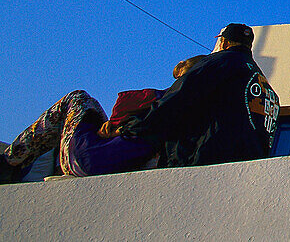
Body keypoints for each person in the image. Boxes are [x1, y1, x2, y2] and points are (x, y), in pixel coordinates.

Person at [0, 55, 203, 182]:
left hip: (84, 157)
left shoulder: (157, 97)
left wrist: (114, 126)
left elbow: (121, 106)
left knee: (78, 97)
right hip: (109, 166)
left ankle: (10, 160)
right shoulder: (192, 109)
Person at [120, 23, 280, 167]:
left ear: (223, 42)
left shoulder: (220, 62)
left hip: (205, 159)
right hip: (248, 169)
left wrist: (130, 128)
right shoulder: (267, 88)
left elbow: (179, 97)